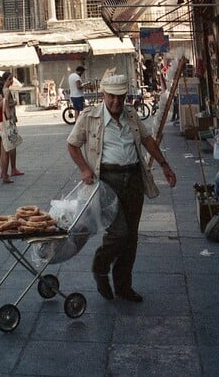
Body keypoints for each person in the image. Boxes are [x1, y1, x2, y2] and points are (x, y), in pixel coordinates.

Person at [67, 73, 176, 303]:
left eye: (120, 97)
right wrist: (84, 169)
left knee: (132, 236)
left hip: (134, 179)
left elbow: (147, 140)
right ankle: (100, 266)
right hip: (108, 181)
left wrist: (164, 165)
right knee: (119, 232)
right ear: (103, 95)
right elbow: (73, 144)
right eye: (111, 97)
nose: (116, 102)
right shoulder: (90, 116)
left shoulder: (131, 115)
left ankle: (123, 285)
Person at [0, 71, 24, 179]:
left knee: (4, 146)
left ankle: (4, 171)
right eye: (10, 79)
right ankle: (13, 168)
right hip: (9, 118)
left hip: (4, 119)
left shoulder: (0, 90)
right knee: (12, 144)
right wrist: (13, 104)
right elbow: (5, 104)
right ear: (6, 80)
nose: (12, 81)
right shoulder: (7, 91)